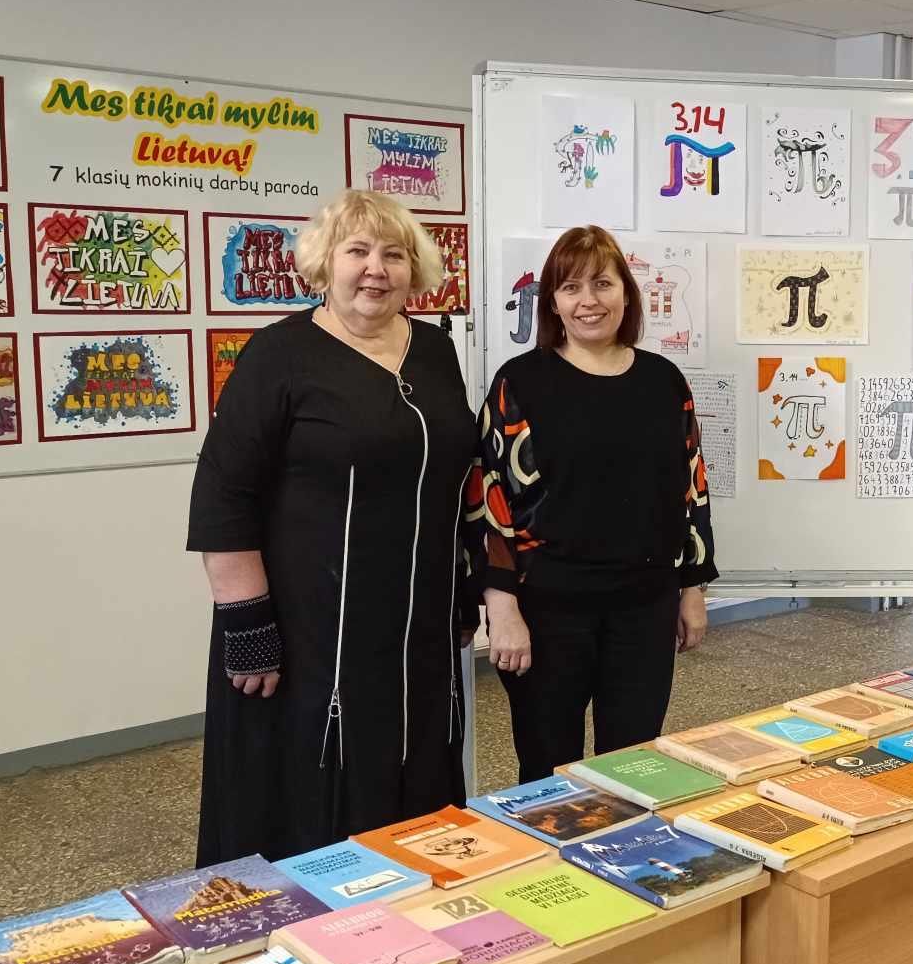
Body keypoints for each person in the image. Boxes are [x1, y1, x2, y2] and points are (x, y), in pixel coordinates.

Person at [187, 189, 479, 864]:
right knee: (311, 794)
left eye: (394, 254)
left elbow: (452, 477)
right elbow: (223, 494)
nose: (376, 269)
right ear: (325, 263)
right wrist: (247, 624)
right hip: (309, 631)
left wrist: (463, 591)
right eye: (358, 251)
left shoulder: (435, 351)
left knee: (417, 791)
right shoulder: (279, 355)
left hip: (416, 629)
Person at [468, 225, 717, 783]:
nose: (588, 301)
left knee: (633, 770)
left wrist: (692, 589)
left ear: (626, 293)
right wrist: (502, 610)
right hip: (547, 612)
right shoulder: (520, 382)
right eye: (571, 287)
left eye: (602, 284)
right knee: (547, 773)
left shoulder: (663, 381)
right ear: (552, 302)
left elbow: (692, 489)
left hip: (645, 609)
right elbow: (489, 499)